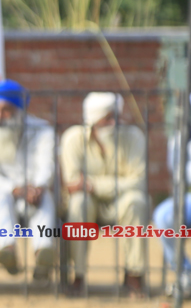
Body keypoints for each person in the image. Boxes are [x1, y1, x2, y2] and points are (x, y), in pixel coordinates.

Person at [60, 92, 149, 297]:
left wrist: (93, 185)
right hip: (88, 201)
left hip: (122, 202)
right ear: (93, 119)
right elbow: (73, 184)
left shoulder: (134, 136)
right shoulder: (73, 138)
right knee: (78, 203)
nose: (113, 123)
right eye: (107, 118)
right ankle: (78, 276)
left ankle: (134, 275)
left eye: (116, 117)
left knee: (136, 201)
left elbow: (138, 182)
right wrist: (107, 185)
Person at [0, 80, 56, 281]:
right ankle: (7, 249)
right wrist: (15, 189)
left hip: (33, 194)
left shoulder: (43, 131)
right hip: (1, 195)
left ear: (19, 111)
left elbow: (47, 166)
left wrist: (38, 187)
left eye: (6, 111)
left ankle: (43, 254)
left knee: (45, 199)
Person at [152, 85, 191, 296]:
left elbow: (185, 170)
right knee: (163, 216)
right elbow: (177, 170)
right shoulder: (187, 133)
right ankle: (183, 273)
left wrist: (190, 170)